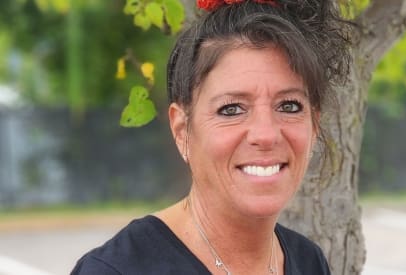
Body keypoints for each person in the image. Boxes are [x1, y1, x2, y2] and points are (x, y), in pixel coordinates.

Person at [71, 0, 350, 274]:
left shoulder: (309, 261)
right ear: (182, 131)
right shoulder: (119, 269)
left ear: (314, 124)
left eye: (289, 106)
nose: (265, 135)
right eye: (231, 109)